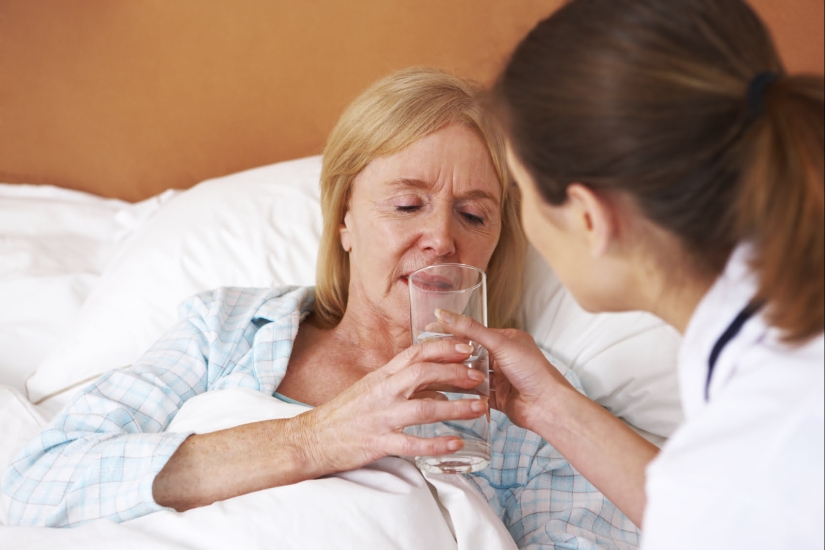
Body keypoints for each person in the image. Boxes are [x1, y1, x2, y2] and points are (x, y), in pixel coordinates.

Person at [3, 67, 641, 547]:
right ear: (344, 221)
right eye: (407, 204)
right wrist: (314, 440)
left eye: (473, 215)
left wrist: (558, 416)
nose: (442, 239)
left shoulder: (531, 404)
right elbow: (35, 487)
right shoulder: (226, 330)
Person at [433, 0, 824, 548]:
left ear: (589, 219)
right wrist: (551, 407)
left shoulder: (746, 469)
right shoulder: (770, 375)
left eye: (519, 194)